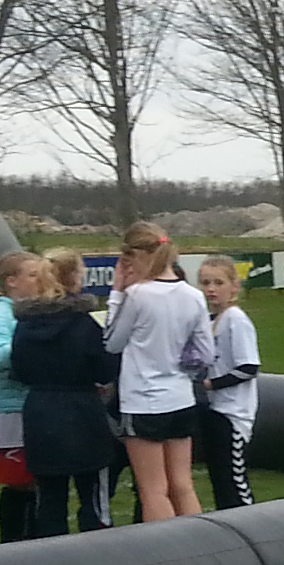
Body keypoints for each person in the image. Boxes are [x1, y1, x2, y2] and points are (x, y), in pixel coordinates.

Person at [106, 222, 211, 520]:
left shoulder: (138, 295)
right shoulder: (193, 295)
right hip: (181, 397)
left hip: (143, 401)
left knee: (153, 490)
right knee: (183, 486)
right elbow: (206, 353)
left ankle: (166, 547)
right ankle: (196, 541)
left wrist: (117, 293)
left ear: (134, 257)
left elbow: (112, 342)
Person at [12, 257, 118, 538]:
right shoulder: (85, 323)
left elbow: (19, 369)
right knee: (93, 494)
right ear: (74, 279)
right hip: (82, 409)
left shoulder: (25, 324)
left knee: (50, 497)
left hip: (40, 411)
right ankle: (97, 548)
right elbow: (105, 369)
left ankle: (52, 554)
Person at [0, 250, 53, 544]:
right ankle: (13, 545)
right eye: (33, 275)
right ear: (11, 281)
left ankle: (35, 543)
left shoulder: (36, 310)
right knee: (20, 483)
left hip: (34, 407)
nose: (40, 280)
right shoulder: (0, 314)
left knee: (39, 482)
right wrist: (34, 346)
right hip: (9, 410)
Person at [193, 255, 263, 511]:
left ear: (235, 286)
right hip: (214, 409)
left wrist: (210, 384)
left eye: (218, 283)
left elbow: (249, 367)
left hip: (233, 412)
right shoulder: (210, 319)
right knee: (219, 478)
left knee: (234, 480)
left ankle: (247, 522)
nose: (211, 289)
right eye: (206, 283)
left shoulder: (236, 319)